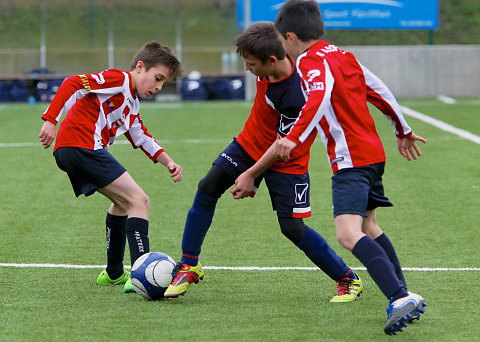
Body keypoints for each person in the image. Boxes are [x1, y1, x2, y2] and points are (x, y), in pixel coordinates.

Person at [230, 0, 428, 335]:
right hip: (372, 153)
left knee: (347, 233)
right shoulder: (342, 55)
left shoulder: (311, 61)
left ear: (290, 37)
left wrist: (293, 137)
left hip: (350, 159)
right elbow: (377, 88)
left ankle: (399, 297)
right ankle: (403, 293)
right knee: (369, 227)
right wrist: (402, 129)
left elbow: (318, 99)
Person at [164, 22, 362, 303]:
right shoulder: (272, 56)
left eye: (251, 64)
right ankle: (189, 264)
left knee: (292, 228)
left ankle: (347, 278)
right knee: (208, 186)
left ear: (271, 60)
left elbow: (282, 148)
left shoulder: (296, 92)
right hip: (249, 143)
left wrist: (250, 175)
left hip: (286, 160)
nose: (247, 69)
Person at [38, 41, 184, 293]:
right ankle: (141, 274)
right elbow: (72, 83)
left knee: (121, 203)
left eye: (164, 84)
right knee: (140, 200)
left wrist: (168, 161)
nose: (158, 87)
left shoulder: (132, 104)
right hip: (81, 145)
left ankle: (114, 273)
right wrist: (51, 120)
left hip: (72, 150)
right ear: (140, 67)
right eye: (157, 78)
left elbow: (141, 136)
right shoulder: (119, 80)